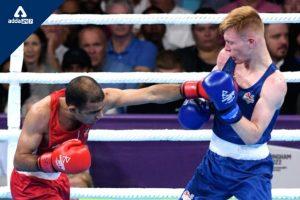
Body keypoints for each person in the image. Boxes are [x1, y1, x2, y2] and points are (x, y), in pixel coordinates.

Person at [11, 75, 182, 199]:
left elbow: (151, 94)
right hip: (30, 184)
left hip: (59, 179)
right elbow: (19, 161)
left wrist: (190, 89)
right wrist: (53, 161)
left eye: (101, 109)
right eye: (93, 112)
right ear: (72, 109)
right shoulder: (41, 113)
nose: (100, 115)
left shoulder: (98, 102)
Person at [178, 6, 287, 199]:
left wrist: (229, 108)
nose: (226, 48)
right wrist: (201, 104)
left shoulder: (274, 83)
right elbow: (209, 94)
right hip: (214, 163)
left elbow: (252, 136)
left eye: (230, 42)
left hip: (252, 170)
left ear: (251, 42)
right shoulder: (226, 58)